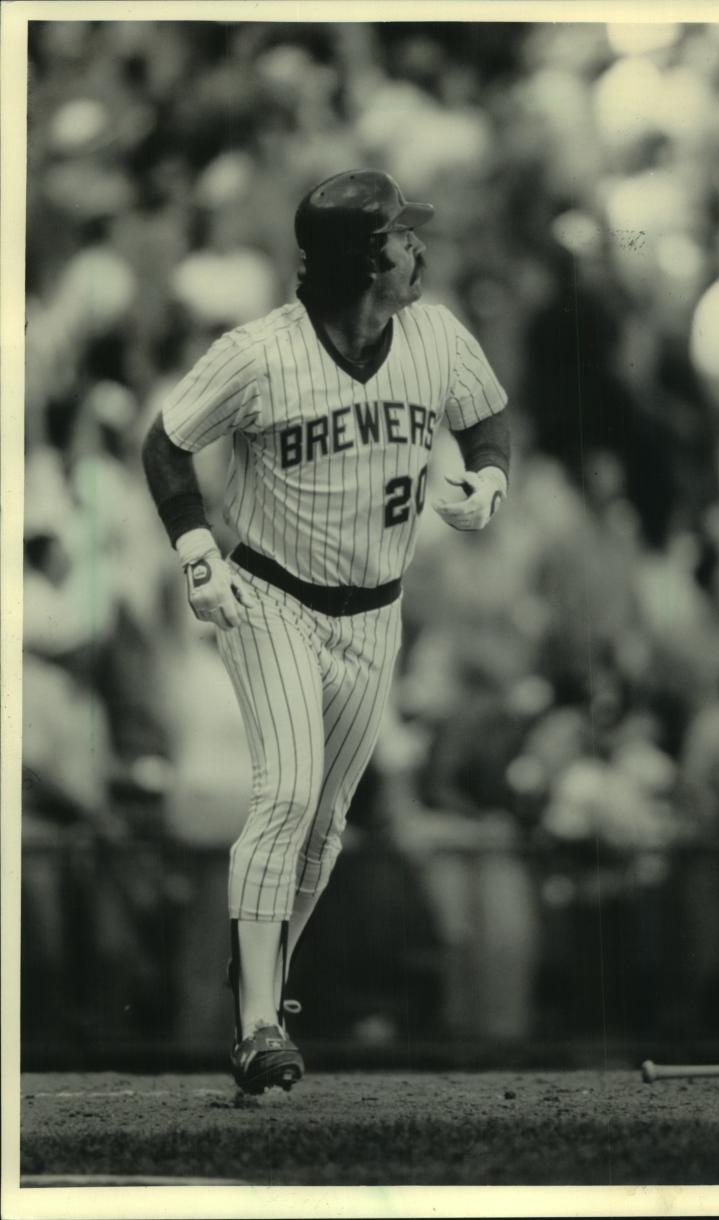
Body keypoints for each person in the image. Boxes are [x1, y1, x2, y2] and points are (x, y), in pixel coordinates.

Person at [141, 169, 510, 1092]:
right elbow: (168, 439)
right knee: (288, 795)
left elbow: (488, 416)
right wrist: (194, 547)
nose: (417, 248)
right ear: (361, 259)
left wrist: (487, 481)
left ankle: (258, 994)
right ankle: (260, 1022)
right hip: (272, 597)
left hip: (376, 613)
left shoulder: (433, 333)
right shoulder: (261, 353)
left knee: (325, 830)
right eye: (400, 238)